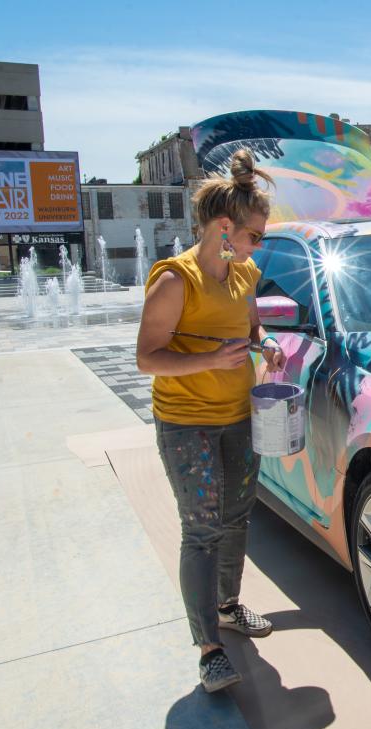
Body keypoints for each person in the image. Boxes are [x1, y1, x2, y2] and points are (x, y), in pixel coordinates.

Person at [136, 149, 288, 694]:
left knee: (236, 517)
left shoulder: (243, 273)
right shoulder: (175, 280)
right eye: (254, 235)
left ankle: (227, 606)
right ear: (224, 227)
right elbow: (146, 357)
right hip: (185, 423)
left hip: (236, 418)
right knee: (200, 530)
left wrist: (267, 344)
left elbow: (250, 329)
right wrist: (206, 360)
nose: (257, 245)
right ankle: (209, 649)